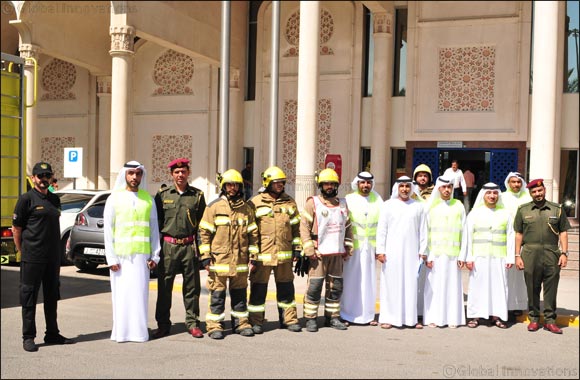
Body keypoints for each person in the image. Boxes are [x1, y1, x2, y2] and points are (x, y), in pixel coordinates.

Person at [12, 162, 75, 352]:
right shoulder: (26, 199)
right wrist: (22, 250)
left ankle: (52, 334)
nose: (44, 180)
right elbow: (17, 229)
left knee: (52, 296)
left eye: (47, 176)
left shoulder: (55, 200)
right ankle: (28, 336)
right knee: (29, 296)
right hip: (32, 257)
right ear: (33, 179)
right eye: (40, 176)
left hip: (52, 258)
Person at [103, 161, 161, 342]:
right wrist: (111, 257)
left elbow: (153, 229)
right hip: (120, 257)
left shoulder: (148, 199)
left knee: (139, 295)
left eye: (138, 174)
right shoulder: (114, 198)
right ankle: (121, 333)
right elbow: (108, 230)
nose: (134, 177)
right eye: (131, 173)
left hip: (141, 257)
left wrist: (155, 256)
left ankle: (139, 332)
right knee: (122, 295)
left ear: (142, 176)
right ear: (125, 175)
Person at [198, 169, 259, 339]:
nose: (233, 188)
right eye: (229, 185)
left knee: (239, 295)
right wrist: (205, 257)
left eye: (236, 185)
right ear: (224, 186)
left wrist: (254, 258)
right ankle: (214, 326)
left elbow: (253, 235)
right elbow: (204, 233)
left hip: (240, 261)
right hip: (219, 261)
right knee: (217, 295)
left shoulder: (246, 209)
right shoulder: (214, 207)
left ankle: (241, 324)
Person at [152, 158, 206, 339]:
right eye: (176, 172)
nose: (180, 175)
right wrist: (156, 250)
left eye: (183, 171)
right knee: (164, 288)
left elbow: (201, 225)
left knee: (192, 288)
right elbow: (156, 223)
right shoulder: (162, 195)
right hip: (168, 247)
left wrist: (202, 251)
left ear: (188, 172)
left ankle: (192, 323)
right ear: (171, 174)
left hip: (189, 247)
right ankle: (163, 324)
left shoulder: (197, 196)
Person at [247, 166, 302, 333]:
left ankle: (289, 319)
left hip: (284, 255)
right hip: (263, 255)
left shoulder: (289, 202)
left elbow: (296, 228)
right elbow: (251, 231)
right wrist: (252, 254)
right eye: (277, 182)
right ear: (267, 183)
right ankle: (256, 321)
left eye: (282, 183)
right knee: (258, 289)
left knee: (286, 289)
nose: (280, 185)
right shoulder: (254, 203)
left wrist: (297, 249)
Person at [299, 168, 354, 332]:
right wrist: (309, 250)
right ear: (320, 185)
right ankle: (310, 319)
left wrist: (348, 247)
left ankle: (332, 317)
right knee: (315, 287)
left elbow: (348, 228)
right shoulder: (313, 203)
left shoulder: (343, 204)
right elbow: (304, 228)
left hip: (337, 253)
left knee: (335, 287)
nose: (329, 186)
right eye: (326, 184)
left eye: (332, 184)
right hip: (319, 254)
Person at [514, 178, 570, 334]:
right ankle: (533, 319)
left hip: (552, 252)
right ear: (530, 193)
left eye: (540, 190)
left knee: (551, 288)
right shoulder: (523, 210)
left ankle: (550, 320)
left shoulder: (556, 209)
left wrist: (564, 253)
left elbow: (563, 232)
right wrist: (517, 255)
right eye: (534, 191)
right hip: (530, 253)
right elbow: (518, 234)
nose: (537, 194)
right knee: (532, 287)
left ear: (544, 190)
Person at [376, 176, 427, 330]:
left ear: (411, 188)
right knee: (391, 285)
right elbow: (381, 230)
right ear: (397, 188)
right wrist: (380, 250)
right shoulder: (388, 205)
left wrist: (423, 251)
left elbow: (423, 231)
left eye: (407, 186)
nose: (405, 189)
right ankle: (388, 318)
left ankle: (410, 319)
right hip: (391, 254)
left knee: (411, 285)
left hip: (412, 254)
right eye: (402, 186)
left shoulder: (418, 207)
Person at [464, 183, 514, 329]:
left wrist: (510, 257)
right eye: (489, 193)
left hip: (499, 257)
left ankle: (497, 317)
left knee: (499, 288)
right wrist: (469, 257)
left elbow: (510, 236)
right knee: (477, 287)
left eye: (495, 193)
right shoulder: (474, 213)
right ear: (483, 195)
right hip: (479, 257)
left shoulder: (506, 214)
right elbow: (468, 237)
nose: (492, 196)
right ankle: (475, 316)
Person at [422, 176, 466, 328]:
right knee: (434, 288)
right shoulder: (430, 207)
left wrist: (463, 254)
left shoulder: (459, 205)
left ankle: (453, 319)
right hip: (435, 254)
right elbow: (425, 232)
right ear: (438, 189)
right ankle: (433, 318)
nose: (447, 190)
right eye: (444, 187)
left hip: (454, 255)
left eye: (449, 187)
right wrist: (427, 254)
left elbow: (464, 232)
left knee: (452, 287)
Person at [341, 171, 383, 326]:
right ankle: (347, 315)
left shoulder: (378, 200)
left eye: (368, 183)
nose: (366, 185)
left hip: (371, 249)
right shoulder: (349, 199)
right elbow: (343, 224)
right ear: (357, 184)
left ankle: (368, 316)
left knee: (368, 283)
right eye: (363, 183)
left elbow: (382, 226)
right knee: (351, 282)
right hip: (353, 248)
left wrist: (380, 249)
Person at [502, 172, 532, 321]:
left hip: (523, 239)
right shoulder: (501, 197)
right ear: (508, 183)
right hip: (505, 240)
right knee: (506, 273)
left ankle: (518, 305)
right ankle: (505, 305)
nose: (516, 185)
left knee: (520, 273)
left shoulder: (527, 198)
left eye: (518, 182)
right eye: (513, 182)